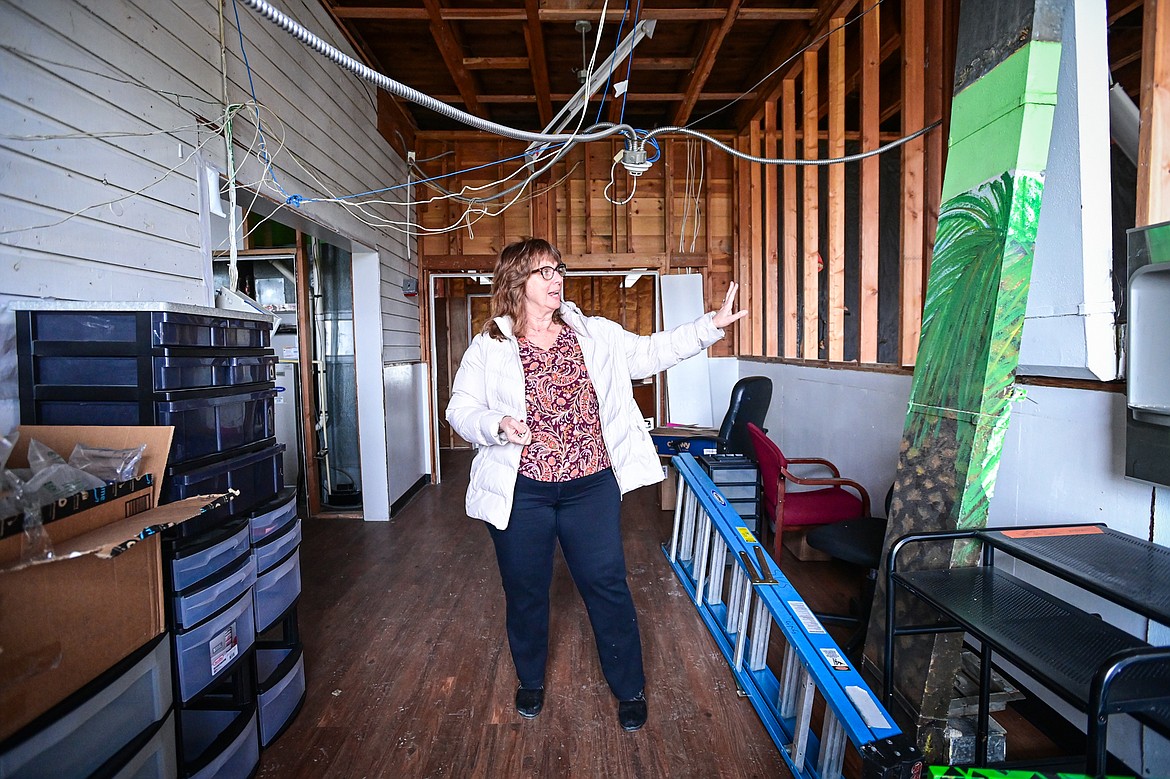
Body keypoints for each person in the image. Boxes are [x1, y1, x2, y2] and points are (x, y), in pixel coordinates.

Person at [445, 237, 746, 732]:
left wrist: (708, 327)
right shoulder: (491, 345)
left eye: (558, 269)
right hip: (523, 491)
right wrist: (497, 423)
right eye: (544, 271)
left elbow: (650, 352)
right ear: (517, 281)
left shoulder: (594, 334)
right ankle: (531, 680)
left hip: (590, 486)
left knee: (606, 585)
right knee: (525, 590)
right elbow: (460, 408)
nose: (557, 278)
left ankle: (629, 686)